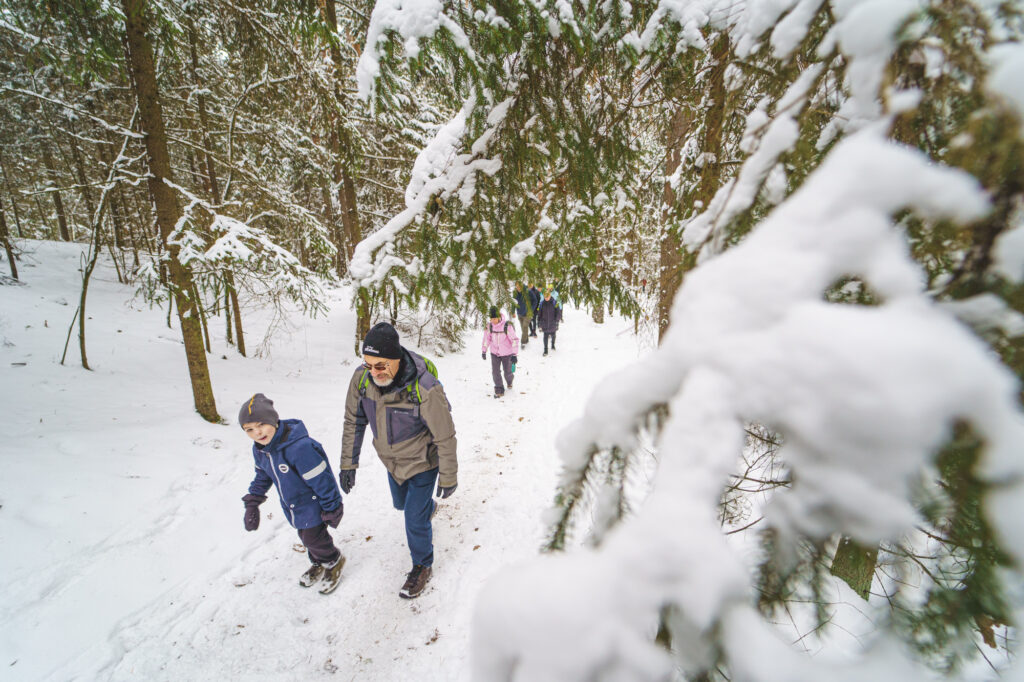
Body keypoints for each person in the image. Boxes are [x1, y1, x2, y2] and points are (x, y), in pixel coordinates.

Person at [339, 322, 458, 599]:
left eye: (380, 365)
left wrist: (449, 476)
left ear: (396, 357)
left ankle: (421, 565)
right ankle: (426, 509)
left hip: (423, 463)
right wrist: (348, 463)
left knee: (413, 521)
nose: (374, 372)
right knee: (402, 505)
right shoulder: (361, 380)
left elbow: (445, 435)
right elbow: (353, 421)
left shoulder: (425, 388)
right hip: (391, 464)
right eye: (368, 365)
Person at [239, 393, 346, 595]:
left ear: (273, 420)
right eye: (249, 430)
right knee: (306, 536)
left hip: (313, 504)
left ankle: (333, 560)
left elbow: (322, 479)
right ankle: (318, 561)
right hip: (292, 505)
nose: (257, 432)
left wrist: (332, 506)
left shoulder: (300, 448)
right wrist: (253, 501)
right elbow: (263, 475)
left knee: (314, 538)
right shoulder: (262, 450)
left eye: (261, 424)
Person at [482, 305, 519, 398]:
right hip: (495, 353)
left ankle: (510, 380)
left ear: (499, 317)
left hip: (507, 354)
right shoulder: (490, 326)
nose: (493, 321)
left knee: (507, 372)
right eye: (491, 319)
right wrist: (484, 350)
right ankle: (499, 389)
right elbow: (486, 339)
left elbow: (514, 340)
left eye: (495, 318)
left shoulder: (507, 326)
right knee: (495, 372)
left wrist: (514, 354)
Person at [537, 287, 561, 356]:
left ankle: (553, 344)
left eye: (547, 297)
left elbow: (558, 312)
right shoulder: (542, 304)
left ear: (550, 296)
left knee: (553, 335)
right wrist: (539, 322)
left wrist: (556, 321)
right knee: (545, 336)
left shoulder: (554, 302)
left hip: (552, 322)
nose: (546, 298)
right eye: (545, 297)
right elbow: (539, 314)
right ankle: (545, 350)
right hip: (545, 323)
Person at [512, 283, 531, 348]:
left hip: (527, 314)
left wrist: (532, 309)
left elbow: (535, 300)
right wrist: (512, 312)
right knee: (523, 328)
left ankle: (523, 342)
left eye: (519, 287)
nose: (518, 288)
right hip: (519, 313)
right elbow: (513, 302)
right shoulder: (515, 293)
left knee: (525, 327)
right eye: (517, 287)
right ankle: (526, 339)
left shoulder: (527, 292)